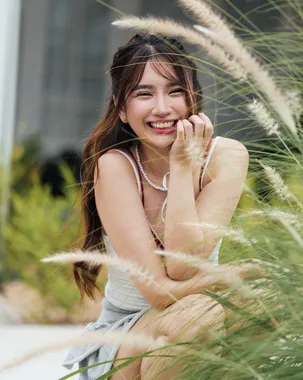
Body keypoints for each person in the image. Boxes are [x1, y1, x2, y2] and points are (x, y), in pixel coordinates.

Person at [63, 33, 255, 379]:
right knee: (199, 316)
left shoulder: (227, 157)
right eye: (144, 93)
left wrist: (185, 168)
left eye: (175, 90)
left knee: (265, 300)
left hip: (198, 326)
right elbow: (164, 289)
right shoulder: (116, 166)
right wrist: (230, 276)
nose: (163, 108)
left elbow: (184, 268)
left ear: (193, 96)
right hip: (126, 339)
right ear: (122, 108)